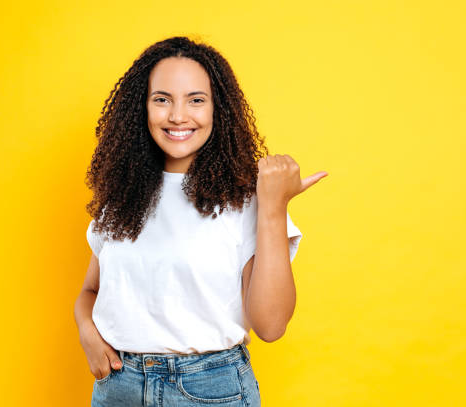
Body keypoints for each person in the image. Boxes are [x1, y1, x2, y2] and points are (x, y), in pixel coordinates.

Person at [74, 36, 328, 407]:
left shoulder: (244, 199)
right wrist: (86, 331)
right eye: (162, 99)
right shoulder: (122, 198)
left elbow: (271, 326)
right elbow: (89, 292)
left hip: (209, 390)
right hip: (118, 388)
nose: (178, 115)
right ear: (141, 109)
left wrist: (273, 207)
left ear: (218, 110)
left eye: (196, 100)